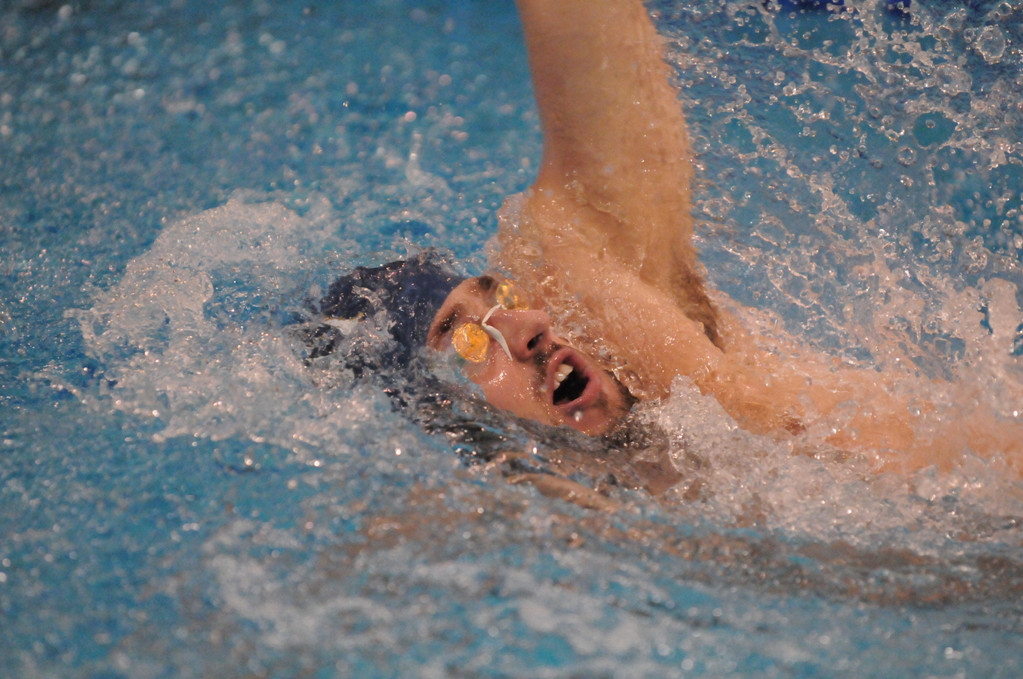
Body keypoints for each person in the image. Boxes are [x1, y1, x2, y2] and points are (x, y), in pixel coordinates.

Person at [317, 0, 1023, 481]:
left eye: (498, 293)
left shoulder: (622, 307)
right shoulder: (547, 520)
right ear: (433, 411)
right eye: (465, 340)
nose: (526, 324)